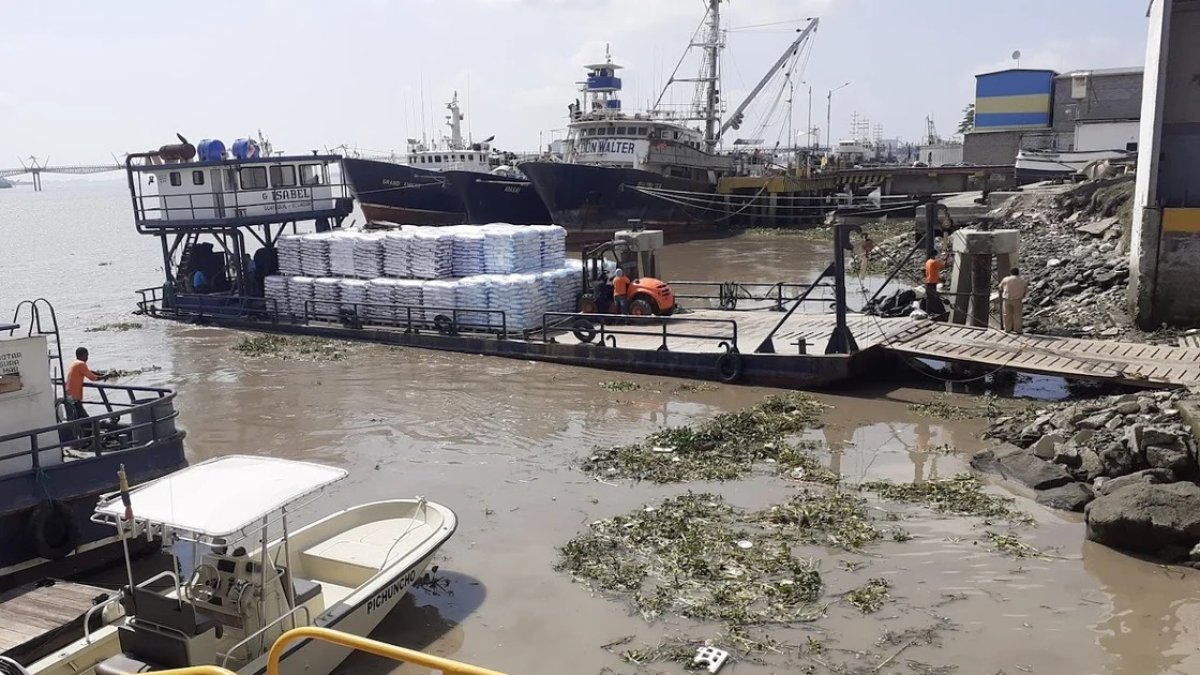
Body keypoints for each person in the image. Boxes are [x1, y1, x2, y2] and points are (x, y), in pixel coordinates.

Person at [64, 347, 101, 422]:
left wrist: (100, 374)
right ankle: (92, 427)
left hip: (68, 395)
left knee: (74, 417)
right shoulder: (81, 364)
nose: (87, 358)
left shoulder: (75, 363)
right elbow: (93, 378)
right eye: (86, 355)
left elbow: (88, 371)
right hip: (74, 397)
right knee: (85, 419)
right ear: (82, 355)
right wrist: (105, 377)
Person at [1000, 267, 1028, 333]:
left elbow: (1000, 287)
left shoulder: (1006, 279)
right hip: (1017, 300)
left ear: (1011, 273)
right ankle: (1017, 329)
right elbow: (1026, 289)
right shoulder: (1022, 280)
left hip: (1007, 299)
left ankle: (1007, 329)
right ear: (1018, 273)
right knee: (1017, 315)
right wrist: (1023, 295)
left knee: (1006, 314)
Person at [923, 254, 945, 320]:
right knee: (933, 297)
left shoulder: (928, 262)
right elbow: (943, 265)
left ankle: (929, 312)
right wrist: (945, 259)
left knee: (929, 298)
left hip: (928, 281)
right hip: (932, 282)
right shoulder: (934, 262)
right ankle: (933, 312)